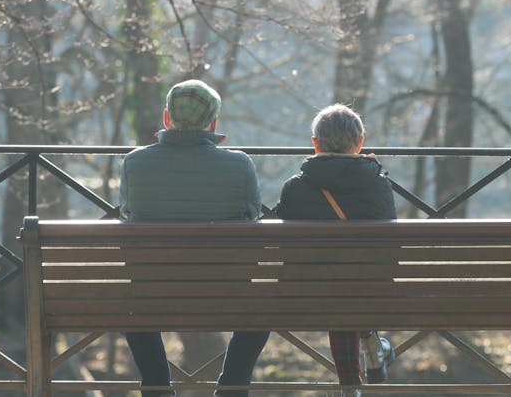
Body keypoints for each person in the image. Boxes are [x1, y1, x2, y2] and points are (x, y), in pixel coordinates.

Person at [119, 79, 269, 397]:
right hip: (226, 292)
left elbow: (126, 213)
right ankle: (231, 388)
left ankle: (158, 387)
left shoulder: (134, 163)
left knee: (133, 310)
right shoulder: (240, 165)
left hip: (153, 293)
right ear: (213, 122)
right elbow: (253, 215)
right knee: (260, 315)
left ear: (166, 118)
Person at [273, 104, 396, 397]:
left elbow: (286, 248)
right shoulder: (379, 186)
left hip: (307, 291)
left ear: (315, 144)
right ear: (361, 143)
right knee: (350, 286)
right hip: (372, 291)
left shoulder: (295, 188)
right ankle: (369, 352)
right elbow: (388, 251)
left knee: (335, 286)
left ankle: (351, 385)